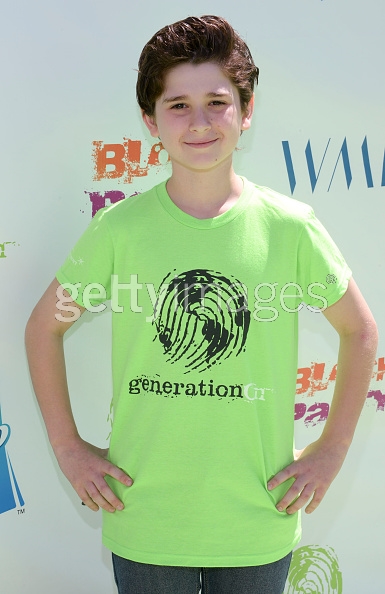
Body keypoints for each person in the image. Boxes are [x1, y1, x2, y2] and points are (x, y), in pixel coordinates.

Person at [25, 15, 378, 594]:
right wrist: (67, 446)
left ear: (247, 109)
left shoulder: (289, 228)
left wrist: (331, 448)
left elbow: (360, 332)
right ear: (150, 121)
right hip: (145, 517)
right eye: (178, 105)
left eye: (217, 101)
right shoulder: (121, 230)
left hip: (257, 517)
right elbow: (44, 330)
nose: (200, 123)